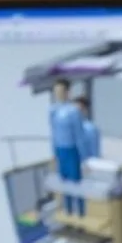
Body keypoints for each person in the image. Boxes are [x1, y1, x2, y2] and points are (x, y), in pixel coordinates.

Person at [49, 79, 86, 215]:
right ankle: (68, 212)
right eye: (56, 91)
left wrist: (83, 158)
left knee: (76, 183)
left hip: (72, 150)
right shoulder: (52, 110)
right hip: (60, 150)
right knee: (64, 183)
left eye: (61, 91)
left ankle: (81, 213)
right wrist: (53, 154)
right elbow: (53, 132)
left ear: (67, 92)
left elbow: (79, 134)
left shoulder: (73, 111)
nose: (58, 94)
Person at [74, 96, 101, 160]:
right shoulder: (68, 128)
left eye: (79, 110)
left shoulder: (90, 129)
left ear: (85, 110)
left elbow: (94, 153)